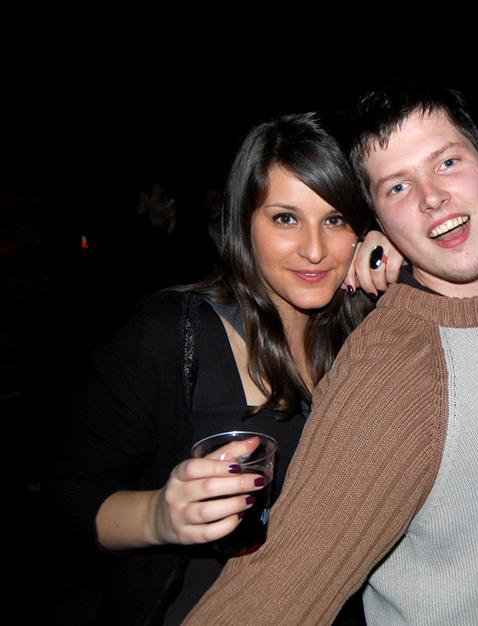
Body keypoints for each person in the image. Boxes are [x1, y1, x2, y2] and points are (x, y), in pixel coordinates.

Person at [186, 85, 478, 625]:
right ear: (379, 217)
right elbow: (273, 591)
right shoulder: (393, 372)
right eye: (398, 186)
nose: (432, 197)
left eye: (447, 162)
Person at [47, 112, 374, 625]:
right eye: (285, 218)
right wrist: (161, 515)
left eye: (335, 220)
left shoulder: (369, 336)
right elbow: (67, 499)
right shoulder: (170, 335)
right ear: (244, 222)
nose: (314, 249)